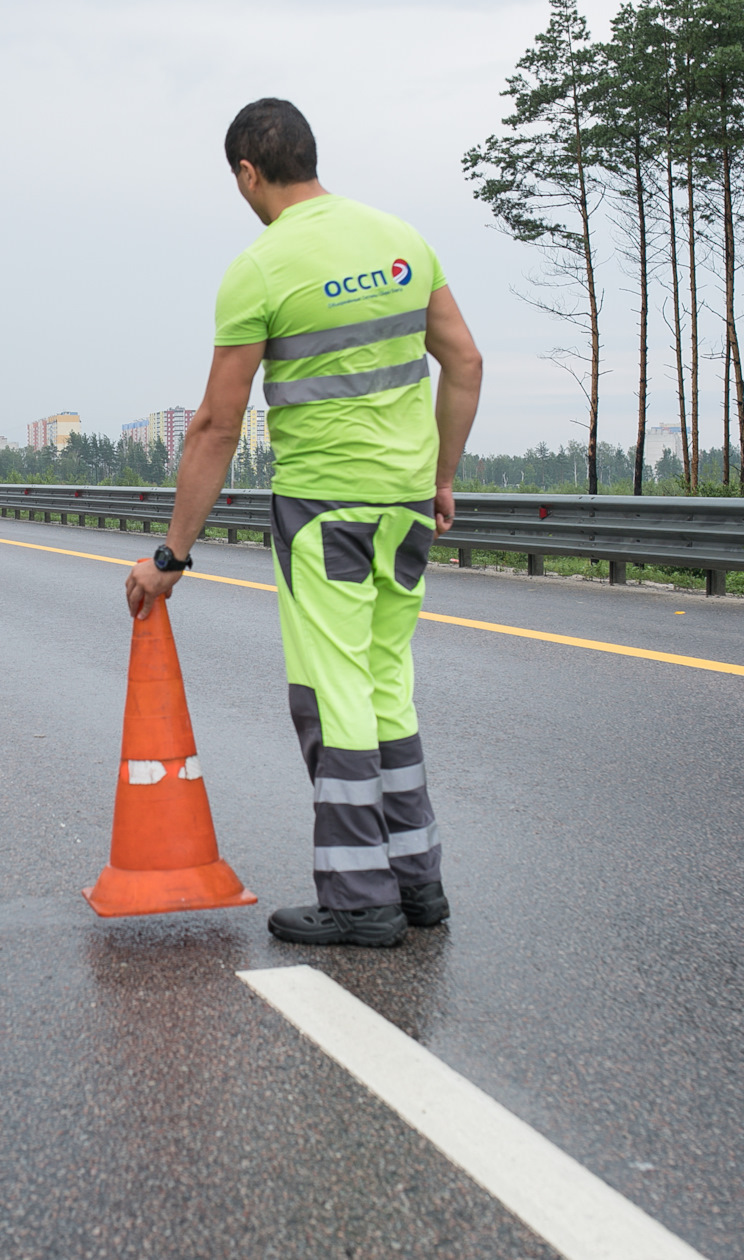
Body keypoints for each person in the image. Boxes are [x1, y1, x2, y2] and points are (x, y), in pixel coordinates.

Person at [124, 98, 483, 948]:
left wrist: (171, 556)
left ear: (248, 171)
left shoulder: (261, 267)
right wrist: (442, 477)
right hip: (405, 507)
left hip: (326, 511)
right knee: (387, 685)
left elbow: (215, 425)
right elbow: (464, 360)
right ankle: (416, 884)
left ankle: (361, 902)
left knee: (334, 695)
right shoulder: (403, 240)